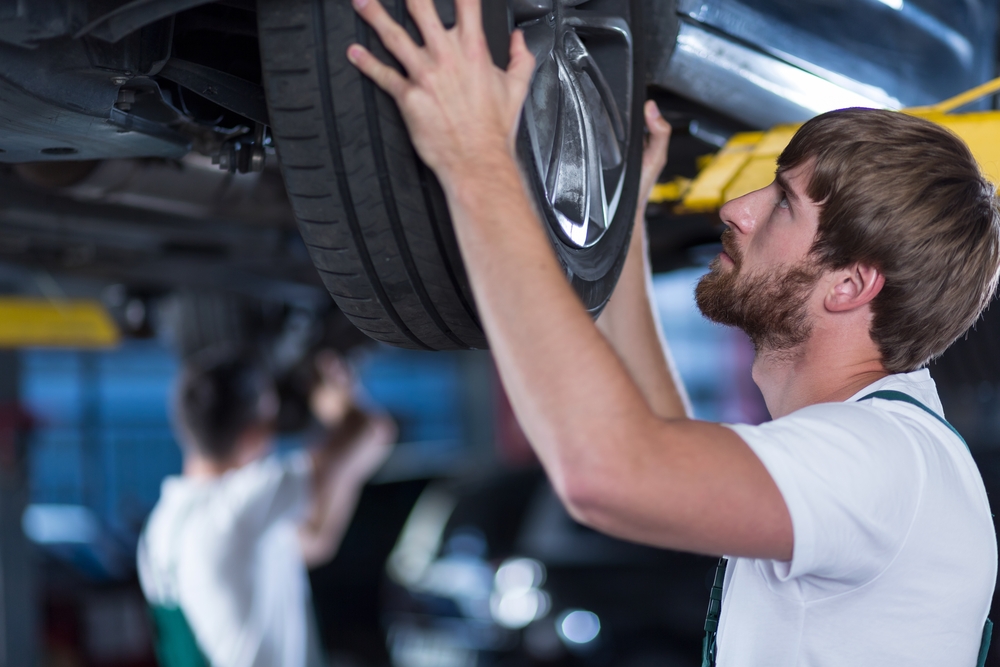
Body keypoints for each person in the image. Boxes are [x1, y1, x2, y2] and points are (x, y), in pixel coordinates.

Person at [344, 1, 1000, 664]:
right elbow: (666, 441)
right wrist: (622, 228)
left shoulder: (885, 462)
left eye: (782, 206)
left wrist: (477, 159)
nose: (737, 209)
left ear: (850, 286)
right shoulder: (893, 454)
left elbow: (609, 472)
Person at [138, 347, 395, 667]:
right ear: (252, 435)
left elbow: (315, 540)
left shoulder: (160, 526)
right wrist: (339, 401)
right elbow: (371, 433)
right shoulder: (240, 504)